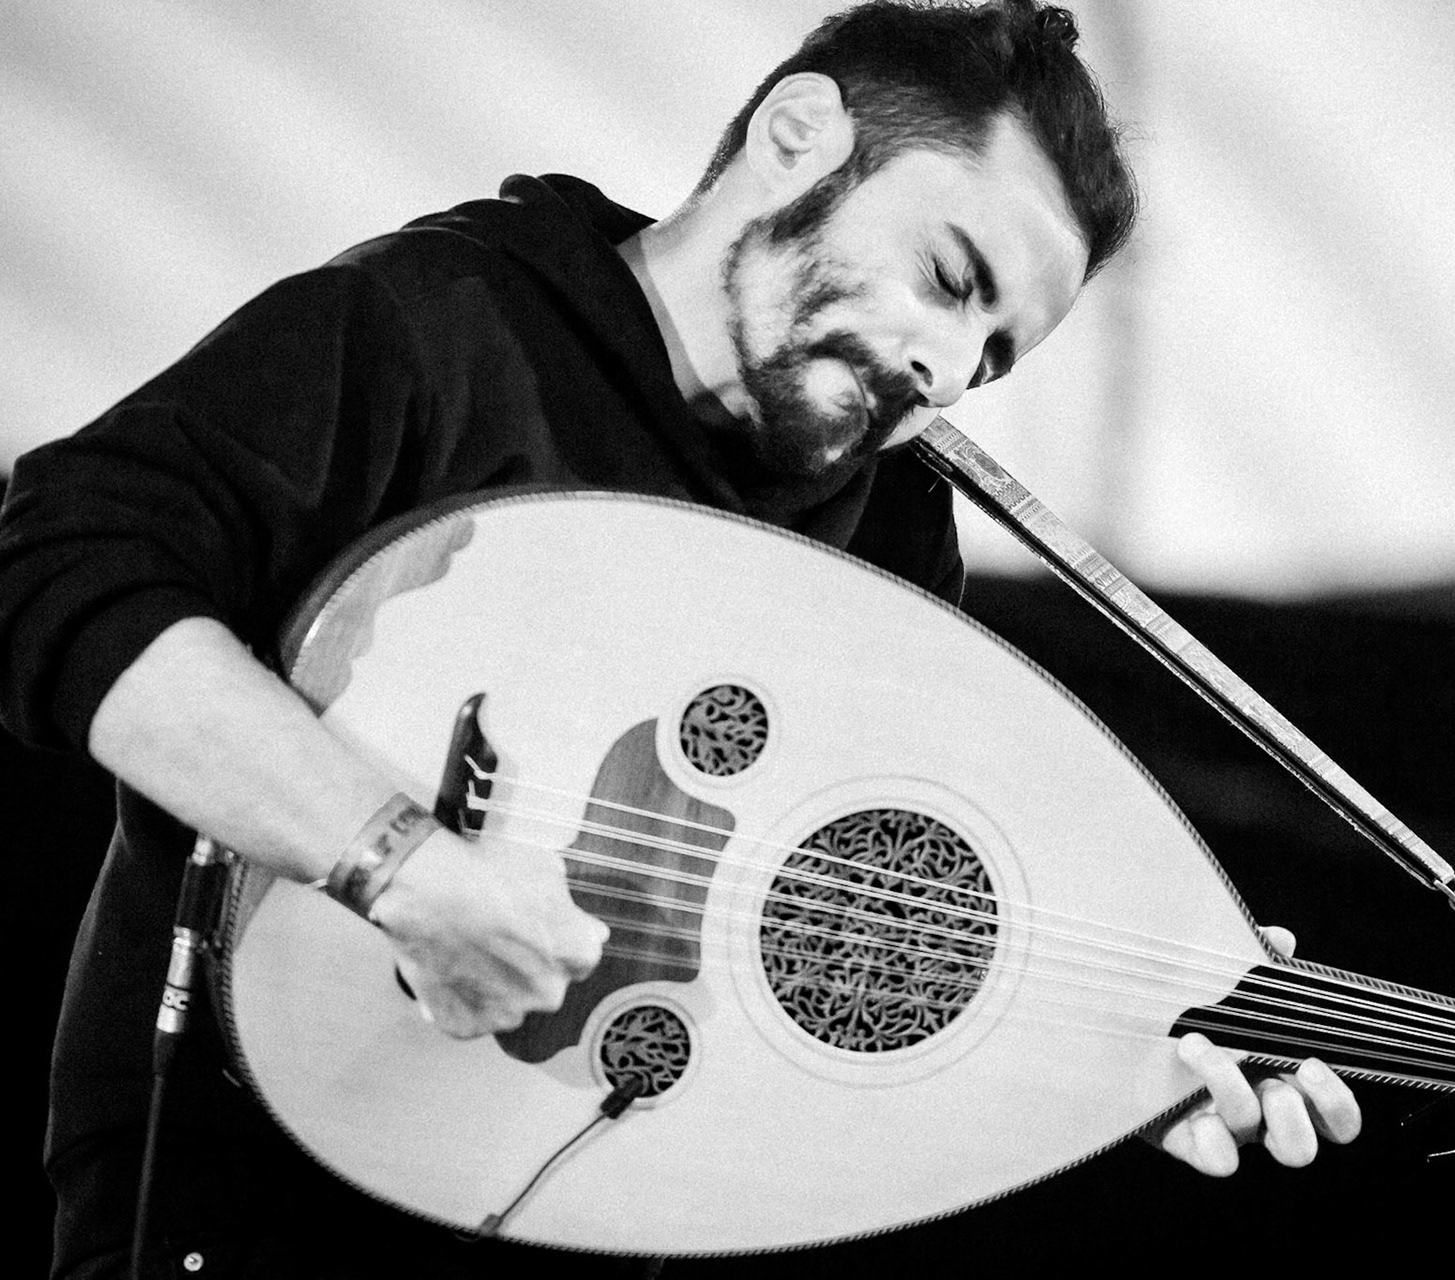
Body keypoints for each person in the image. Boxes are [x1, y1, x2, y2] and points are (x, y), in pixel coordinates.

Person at [0, 3, 1359, 1276]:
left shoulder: (890, 538)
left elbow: (840, 934)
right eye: (951, 277)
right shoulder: (446, 323)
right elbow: (57, 566)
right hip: (239, 1183)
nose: (948, 369)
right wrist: (397, 864)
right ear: (798, 137)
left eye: (994, 354)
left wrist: (1128, 1045)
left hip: (575, 1211)